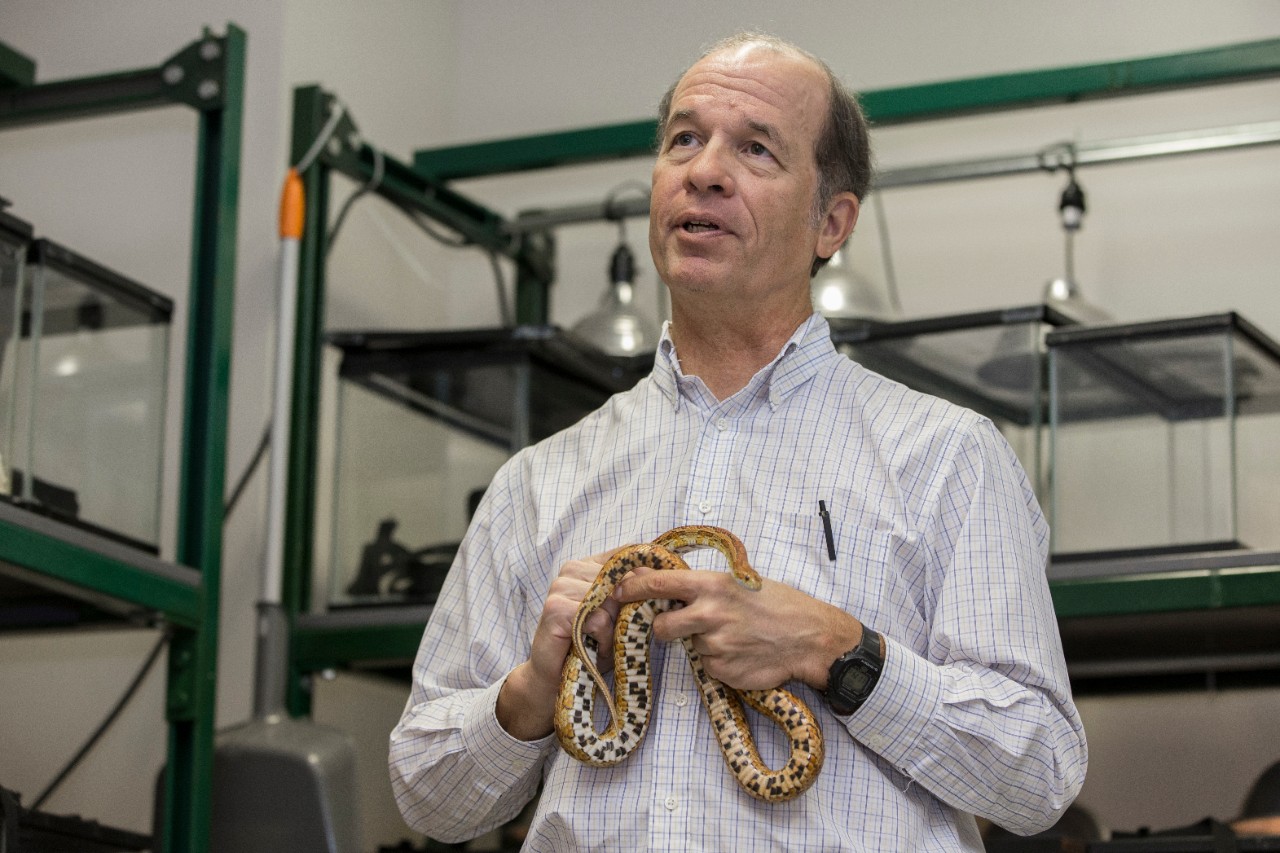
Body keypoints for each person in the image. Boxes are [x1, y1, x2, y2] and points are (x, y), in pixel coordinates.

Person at [390, 32, 1088, 851]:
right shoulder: (536, 483)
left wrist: (837, 650)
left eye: (756, 149)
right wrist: (535, 685)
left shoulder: (948, 458)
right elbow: (427, 795)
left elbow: (1039, 770)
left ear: (831, 221)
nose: (704, 170)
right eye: (684, 139)